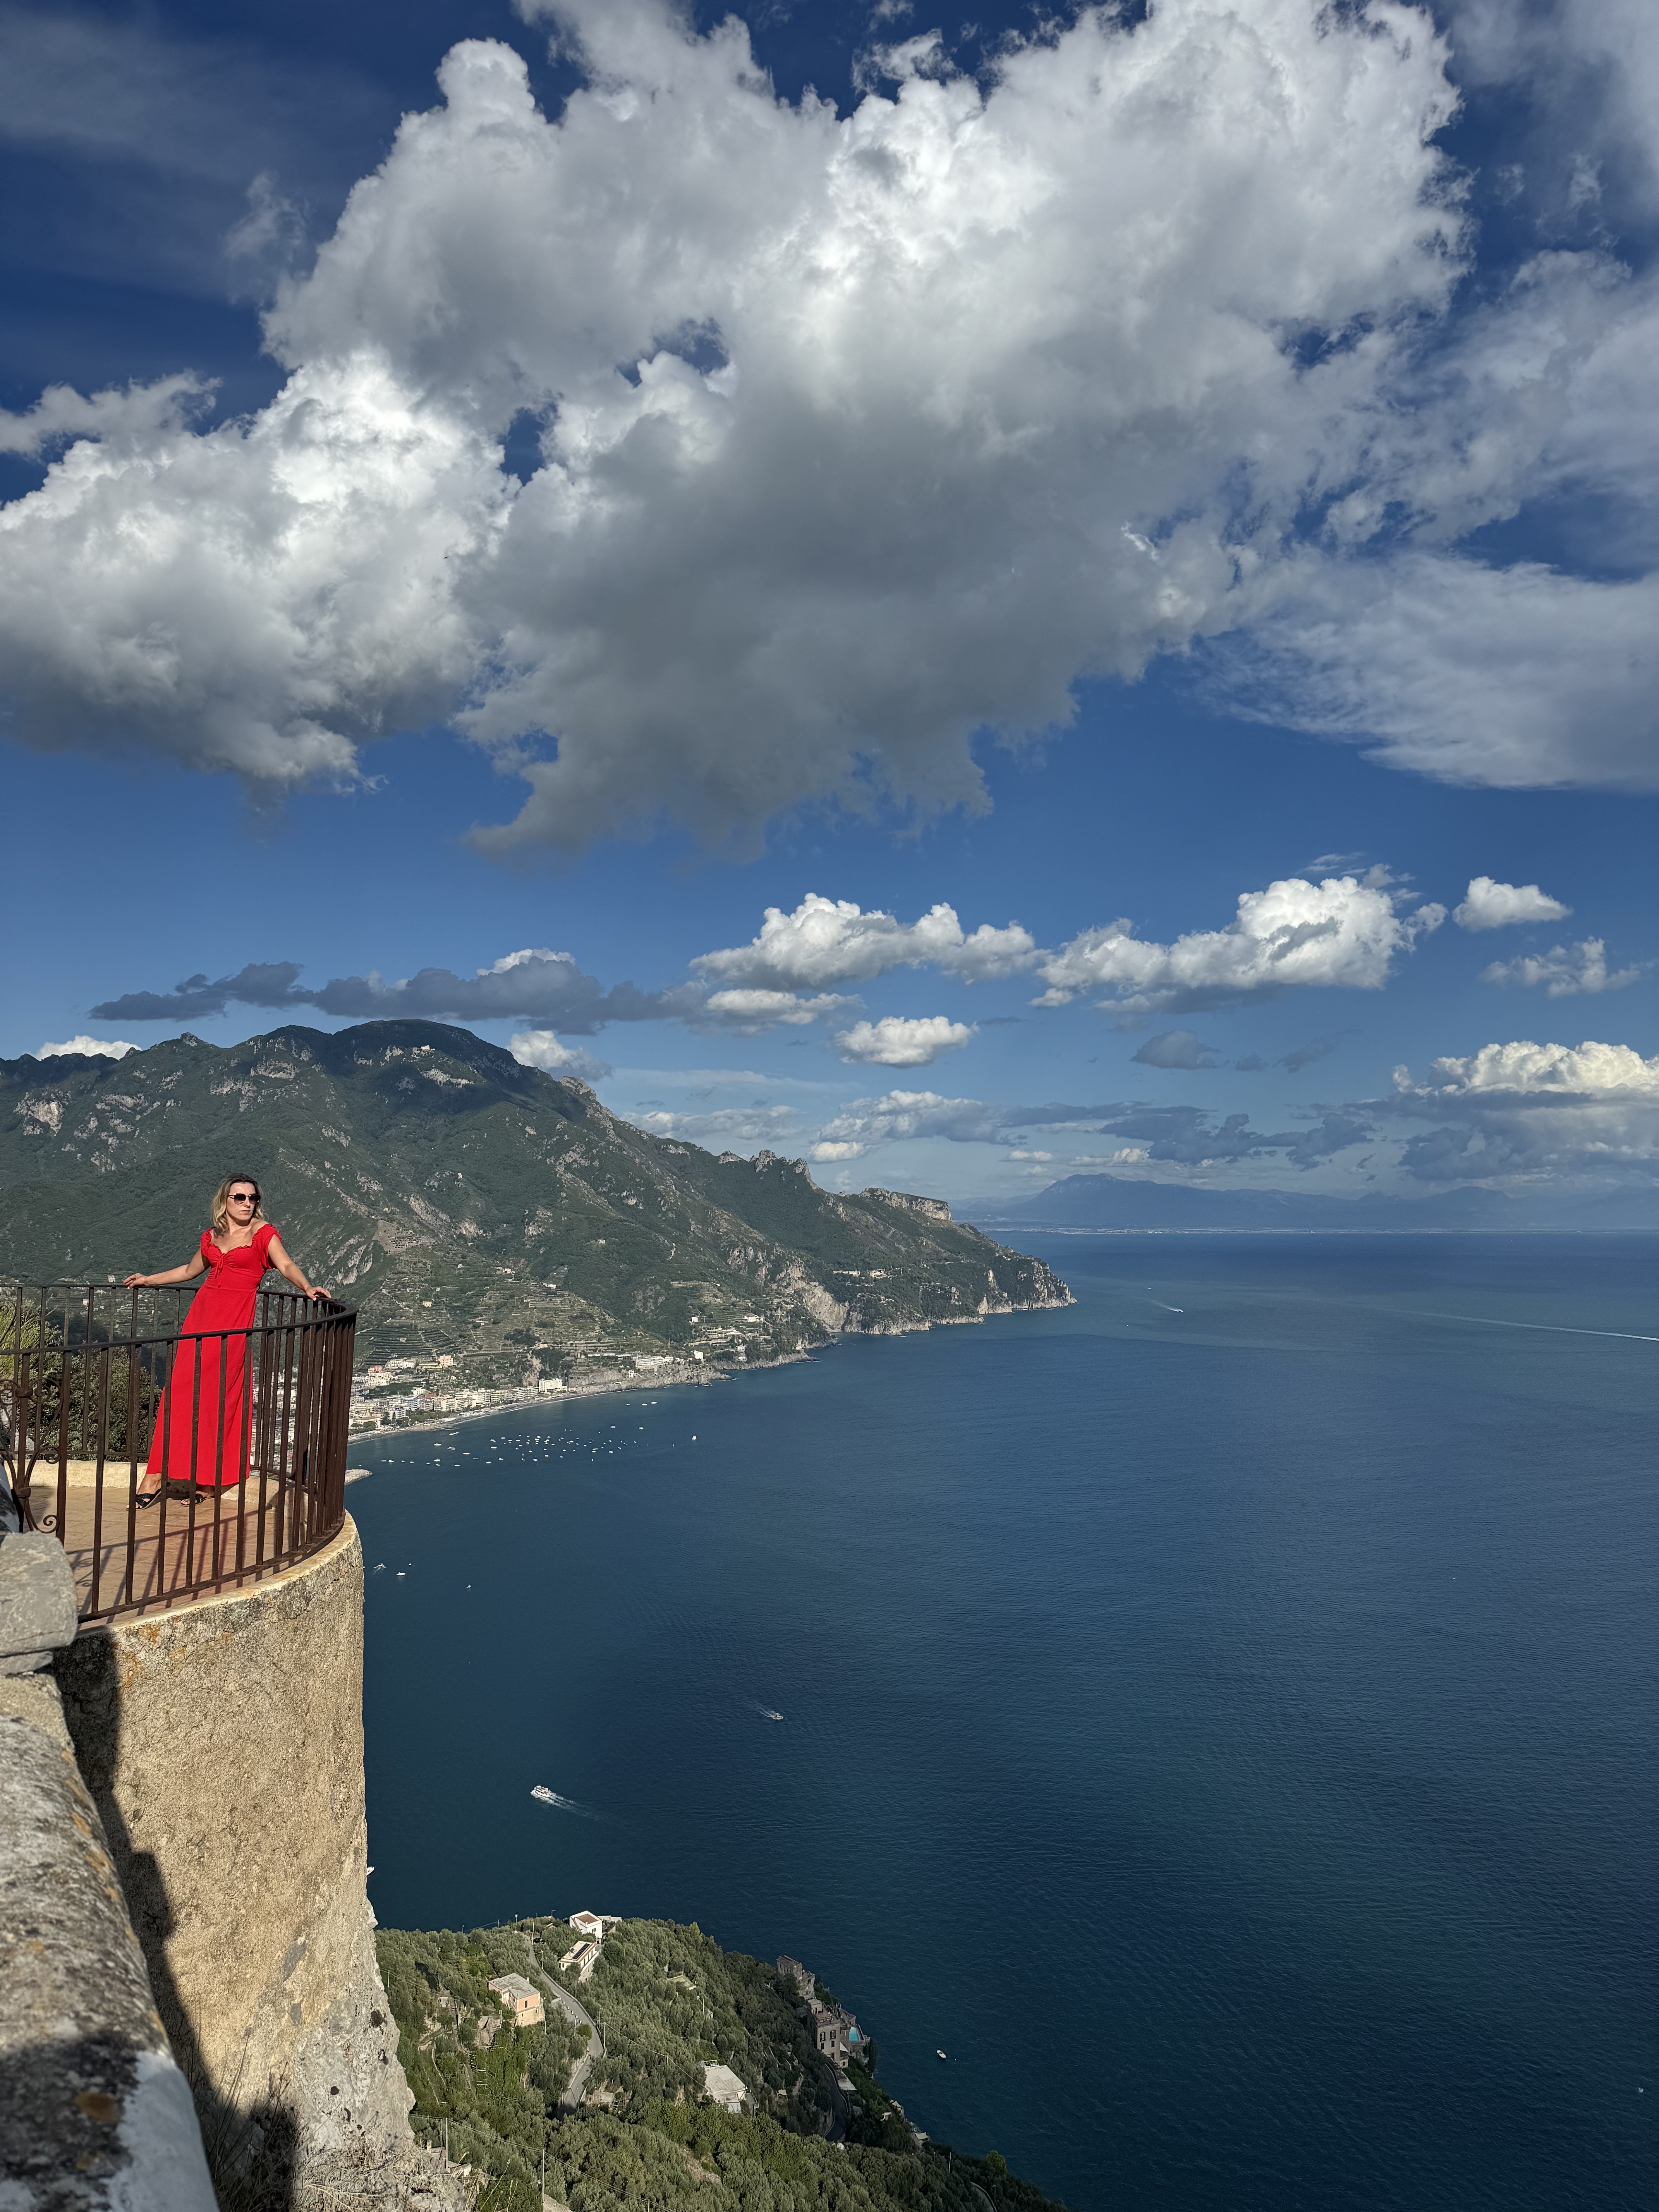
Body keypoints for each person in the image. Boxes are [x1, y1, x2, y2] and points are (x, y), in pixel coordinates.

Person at [125, 1175, 330, 1506]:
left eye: (253, 1198)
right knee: (178, 1392)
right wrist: (150, 1280)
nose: (248, 1203)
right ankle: (156, 1473)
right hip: (199, 1320)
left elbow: (287, 1264)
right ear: (225, 1201)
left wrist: (307, 1288)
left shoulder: (264, 1235)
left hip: (232, 1325)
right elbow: (190, 1271)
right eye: (240, 1197)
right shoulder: (212, 1236)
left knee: (218, 1397)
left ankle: (209, 1481)